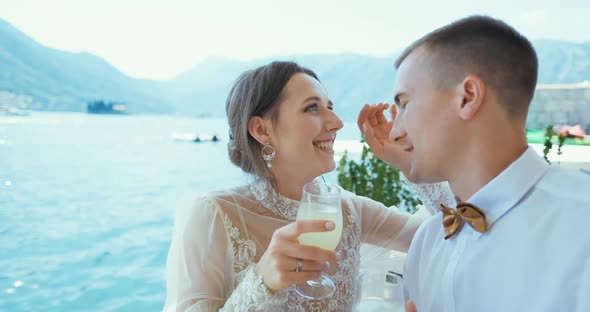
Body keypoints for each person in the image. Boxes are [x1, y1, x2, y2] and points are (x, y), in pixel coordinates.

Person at [163, 61, 455, 311]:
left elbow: (453, 233)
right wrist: (263, 282)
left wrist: (409, 162)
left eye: (330, 107)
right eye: (313, 108)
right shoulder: (212, 213)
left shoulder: (351, 211)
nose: (337, 122)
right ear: (262, 130)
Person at [359, 15, 590, 312]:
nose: (395, 131)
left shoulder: (581, 225)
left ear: (467, 98)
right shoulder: (427, 245)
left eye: (404, 103)